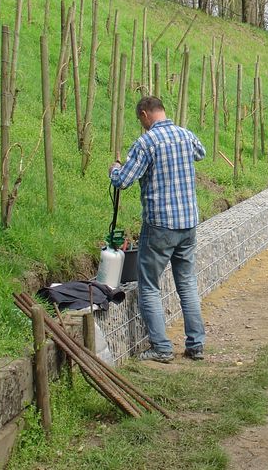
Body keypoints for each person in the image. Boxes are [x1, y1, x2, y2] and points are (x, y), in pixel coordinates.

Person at [109, 96, 207, 363]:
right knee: (186, 283)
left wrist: (114, 169)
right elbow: (201, 152)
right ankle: (196, 344)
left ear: (144, 114)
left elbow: (123, 181)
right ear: (163, 111)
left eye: (140, 119)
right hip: (188, 223)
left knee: (149, 286)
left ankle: (162, 348)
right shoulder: (185, 135)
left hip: (160, 226)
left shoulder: (146, 142)